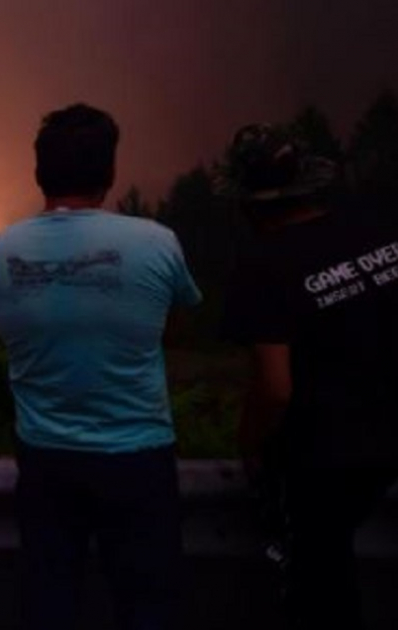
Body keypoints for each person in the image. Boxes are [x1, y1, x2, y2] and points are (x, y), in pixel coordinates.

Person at [0, 104, 201, 629]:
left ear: (39, 173)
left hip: (45, 461)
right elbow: (171, 331)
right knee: (149, 606)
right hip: (138, 458)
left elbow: (5, 332)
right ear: (109, 173)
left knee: (49, 603)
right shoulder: (156, 242)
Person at [219, 123, 398, 629]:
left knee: (322, 592)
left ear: (249, 204)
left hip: (331, 455)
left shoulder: (263, 263)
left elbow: (274, 388)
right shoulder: (375, 229)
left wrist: (250, 444)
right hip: (386, 433)